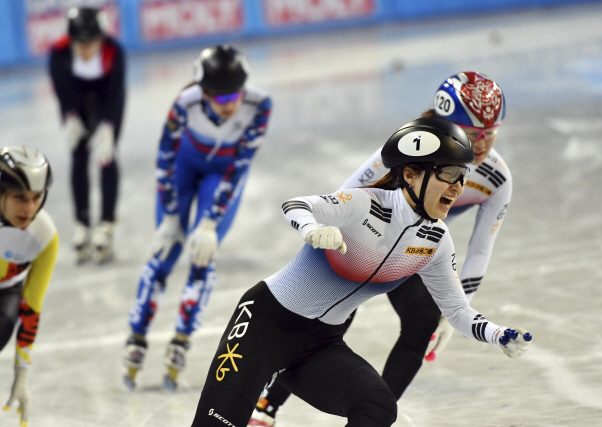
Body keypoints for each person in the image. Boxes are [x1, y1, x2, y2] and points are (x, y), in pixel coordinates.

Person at [191, 117, 531, 427]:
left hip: (318, 346)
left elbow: (456, 310)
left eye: (463, 177)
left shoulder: (436, 242)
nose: (458, 188)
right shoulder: (365, 203)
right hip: (263, 326)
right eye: (448, 174)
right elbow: (296, 205)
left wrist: (497, 334)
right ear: (410, 173)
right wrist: (310, 229)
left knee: (378, 406)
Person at [248, 71, 511, 425]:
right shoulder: (410, 151)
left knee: (422, 322)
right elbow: (344, 194)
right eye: (476, 134)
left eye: (491, 134)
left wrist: (457, 308)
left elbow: (480, 250)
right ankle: (267, 405)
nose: (482, 146)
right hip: (366, 239)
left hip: (415, 250)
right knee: (333, 316)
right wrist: (324, 240)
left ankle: (370, 418)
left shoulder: (496, 179)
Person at [122, 45, 272, 391]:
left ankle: (181, 339)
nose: (230, 104)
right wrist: (172, 216)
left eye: (235, 95)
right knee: (166, 251)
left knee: (203, 255)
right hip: (184, 168)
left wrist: (209, 223)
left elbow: (239, 167)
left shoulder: (260, 105)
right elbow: (164, 160)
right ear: (203, 93)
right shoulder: (184, 103)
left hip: (223, 175)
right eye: (220, 98)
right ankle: (137, 334)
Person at [48, 6, 126, 264]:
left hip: (107, 101)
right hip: (77, 102)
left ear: (101, 39)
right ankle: (82, 223)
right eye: (80, 44)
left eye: (91, 43)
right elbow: (62, 91)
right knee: (78, 156)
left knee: (107, 155)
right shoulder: (58, 53)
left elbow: (116, 94)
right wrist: (69, 116)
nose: (86, 49)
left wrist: (108, 126)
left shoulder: (115, 52)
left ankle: (106, 224)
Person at [0, 146, 58, 427]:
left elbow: (31, 309)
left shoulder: (44, 236)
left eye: (36, 198)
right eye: (20, 197)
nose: (29, 208)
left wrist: (21, 375)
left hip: (5, 289)